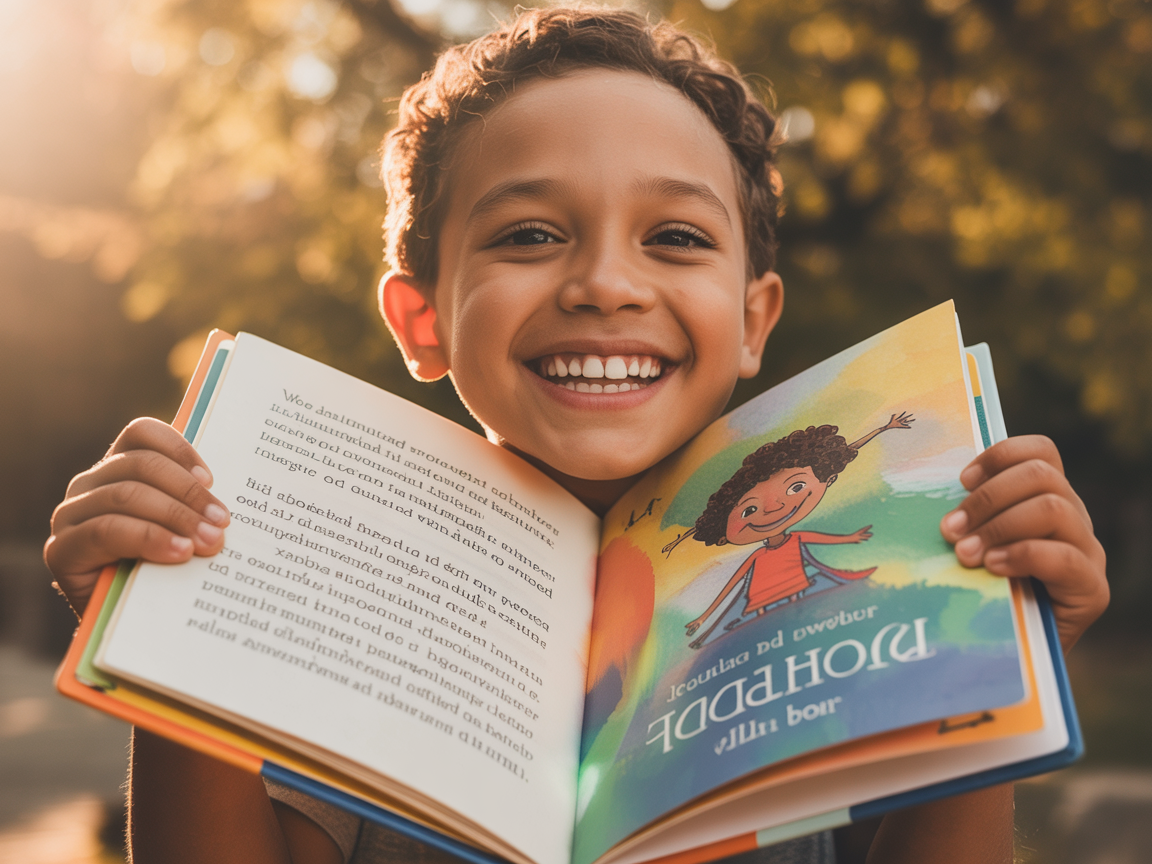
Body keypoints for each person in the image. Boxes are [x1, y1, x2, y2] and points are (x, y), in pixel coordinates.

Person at [43, 7, 1108, 864]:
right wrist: (170, 637)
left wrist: (1003, 661)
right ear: (422, 318)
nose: (605, 283)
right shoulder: (326, 565)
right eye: (531, 234)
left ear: (752, 319)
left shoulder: (861, 583)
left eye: (677, 237)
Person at [679, 416, 913, 649]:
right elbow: (733, 583)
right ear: (721, 531)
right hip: (761, 603)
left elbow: (844, 452)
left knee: (796, 612)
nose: (772, 508)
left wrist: (883, 428)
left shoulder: (795, 537)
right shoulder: (758, 556)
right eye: (749, 510)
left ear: (828, 478)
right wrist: (703, 617)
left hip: (796, 592)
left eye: (796, 487)